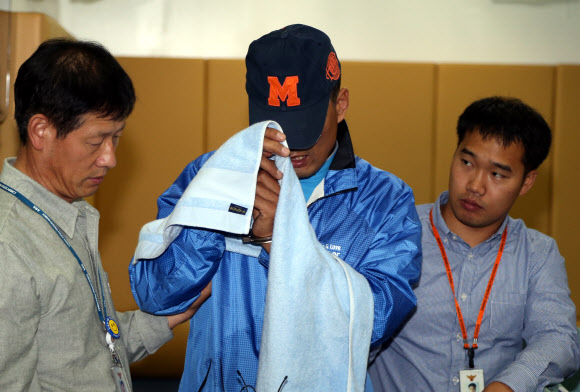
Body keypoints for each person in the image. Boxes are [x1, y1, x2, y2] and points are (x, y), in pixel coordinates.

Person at [129, 24, 422, 391]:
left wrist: (278, 241)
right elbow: (156, 297)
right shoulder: (207, 176)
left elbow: (374, 321)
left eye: (306, 125)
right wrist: (214, 215)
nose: (292, 146)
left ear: (341, 104)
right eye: (277, 124)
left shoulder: (385, 200)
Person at [0, 38, 208, 391]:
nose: (110, 158)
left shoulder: (69, 214)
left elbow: (90, 351)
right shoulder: (9, 245)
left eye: (117, 138)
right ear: (41, 131)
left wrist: (171, 314)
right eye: (97, 142)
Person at [368, 96, 580, 391]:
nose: (475, 186)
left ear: (527, 182)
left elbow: (558, 338)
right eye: (466, 162)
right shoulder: (396, 232)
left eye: (497, 174)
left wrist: (507, 386)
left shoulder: (537, 253)